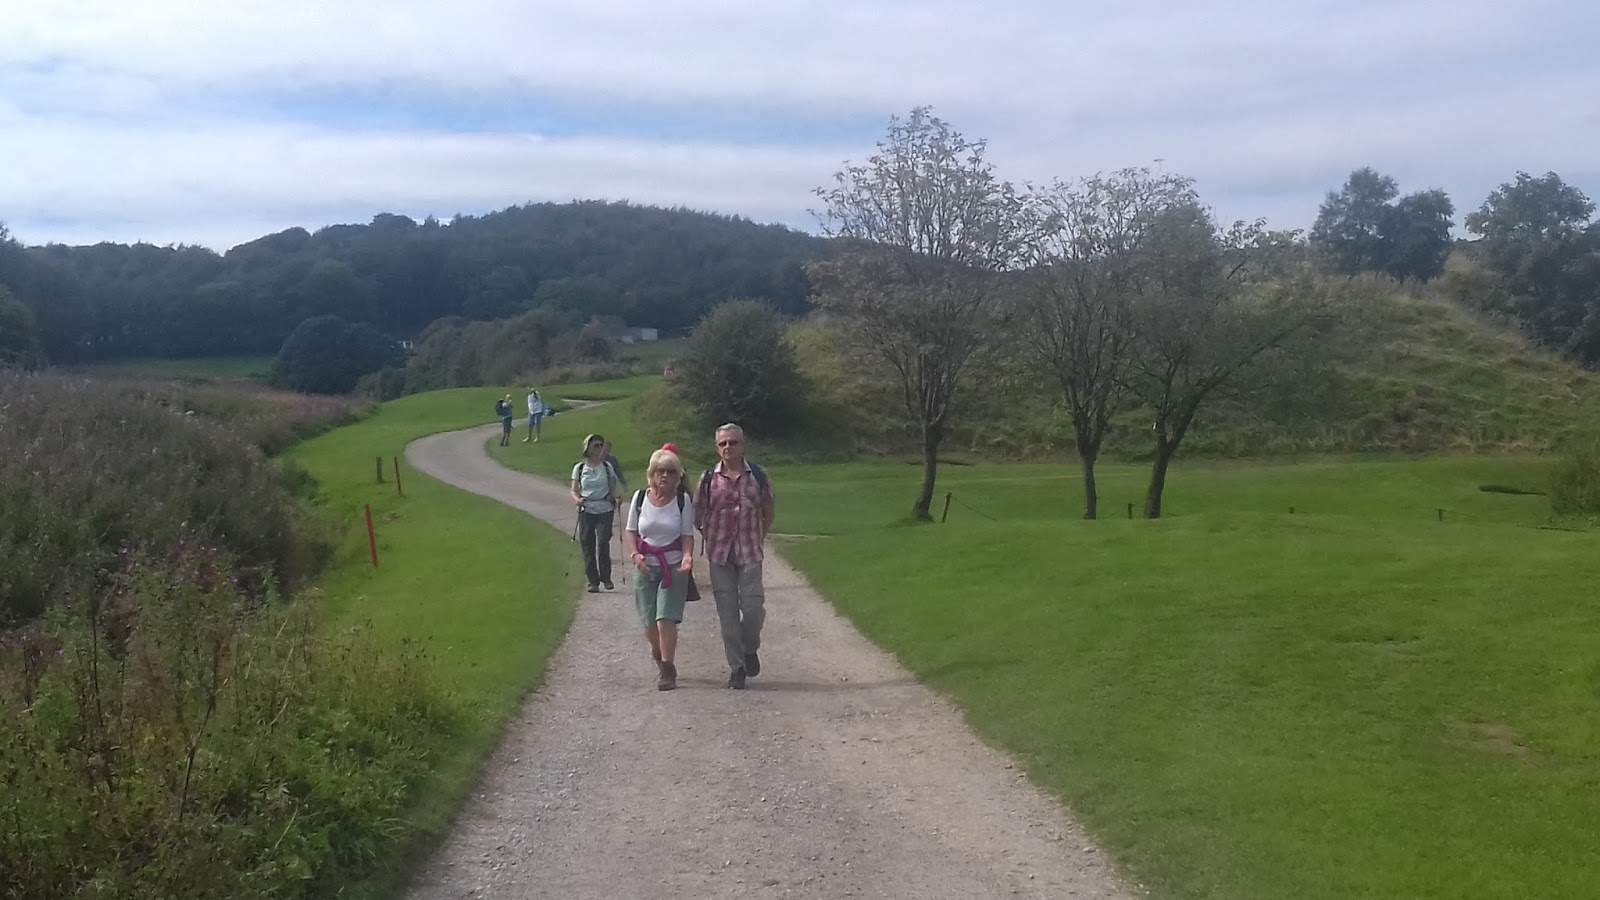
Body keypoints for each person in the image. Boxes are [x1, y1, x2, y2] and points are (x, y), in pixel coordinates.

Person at [694, 423, 775, 689]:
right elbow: (698, 513)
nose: (728, 448)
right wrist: (707, 534)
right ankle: (737, 668)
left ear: (743, 445)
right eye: (723, 444)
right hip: (719, 555)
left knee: (753, 609)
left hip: (750, 551)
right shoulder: (708, 479)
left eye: (733, 442)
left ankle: (750, 647)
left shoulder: (758, 476)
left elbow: (768, 510)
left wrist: (759, 535)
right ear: (717, 448)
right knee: (727, 615)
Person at [624, 448, 696, 691]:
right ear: (651, 474)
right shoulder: (639, 498)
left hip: (673, 567)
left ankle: (668, 668)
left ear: (677, 477)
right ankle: (658, 652)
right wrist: (635, 556)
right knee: (648, 622)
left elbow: (687, 535)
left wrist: (687, 557)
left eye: (670, 472)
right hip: (645, 567)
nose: (664, 476)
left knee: (665, 618)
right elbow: (631, 532)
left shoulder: (681, 500)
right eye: (660, 471)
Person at [570, 433, 621, 592]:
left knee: (603, 542)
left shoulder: (607, 467)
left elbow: (613, 488)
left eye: (601, 445)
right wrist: (577, 499)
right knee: (587, 544)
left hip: (604, 509)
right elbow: (574, 490)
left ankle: (606, 578)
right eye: (596, 445)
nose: (600, 448)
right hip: (586, 509)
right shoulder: (579, 468)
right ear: (588, 448)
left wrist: (616, 499)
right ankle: (593, 581)